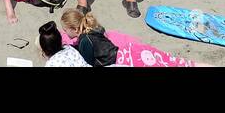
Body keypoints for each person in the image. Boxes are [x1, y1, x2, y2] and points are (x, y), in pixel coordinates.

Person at [60, 8, 203, 67]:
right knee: (182, 63)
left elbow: (88, 63)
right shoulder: (95, 28)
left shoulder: (85, 41)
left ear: (74, 29)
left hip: (127, 61)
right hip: (132, 51)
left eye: (66, 30)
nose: (65, 33)